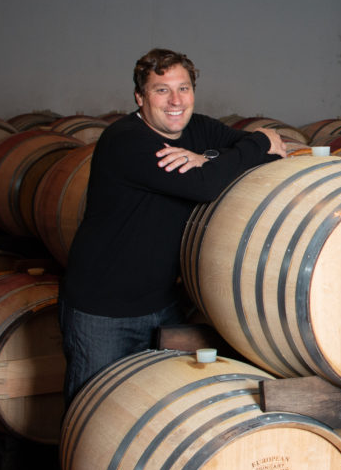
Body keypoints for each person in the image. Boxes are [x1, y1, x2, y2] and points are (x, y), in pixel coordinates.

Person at [59, 48, 287, 403]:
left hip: (164, 305)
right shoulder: (125, 140)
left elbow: (271, 149)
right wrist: (243, 149)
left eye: (183, 88)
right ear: (140, 97)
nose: (175, 100)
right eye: (161, 90)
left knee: (154, 412)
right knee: (91, 416)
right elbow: (206, 184)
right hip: (103, 310)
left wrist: (206, 157)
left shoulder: (197, 129)